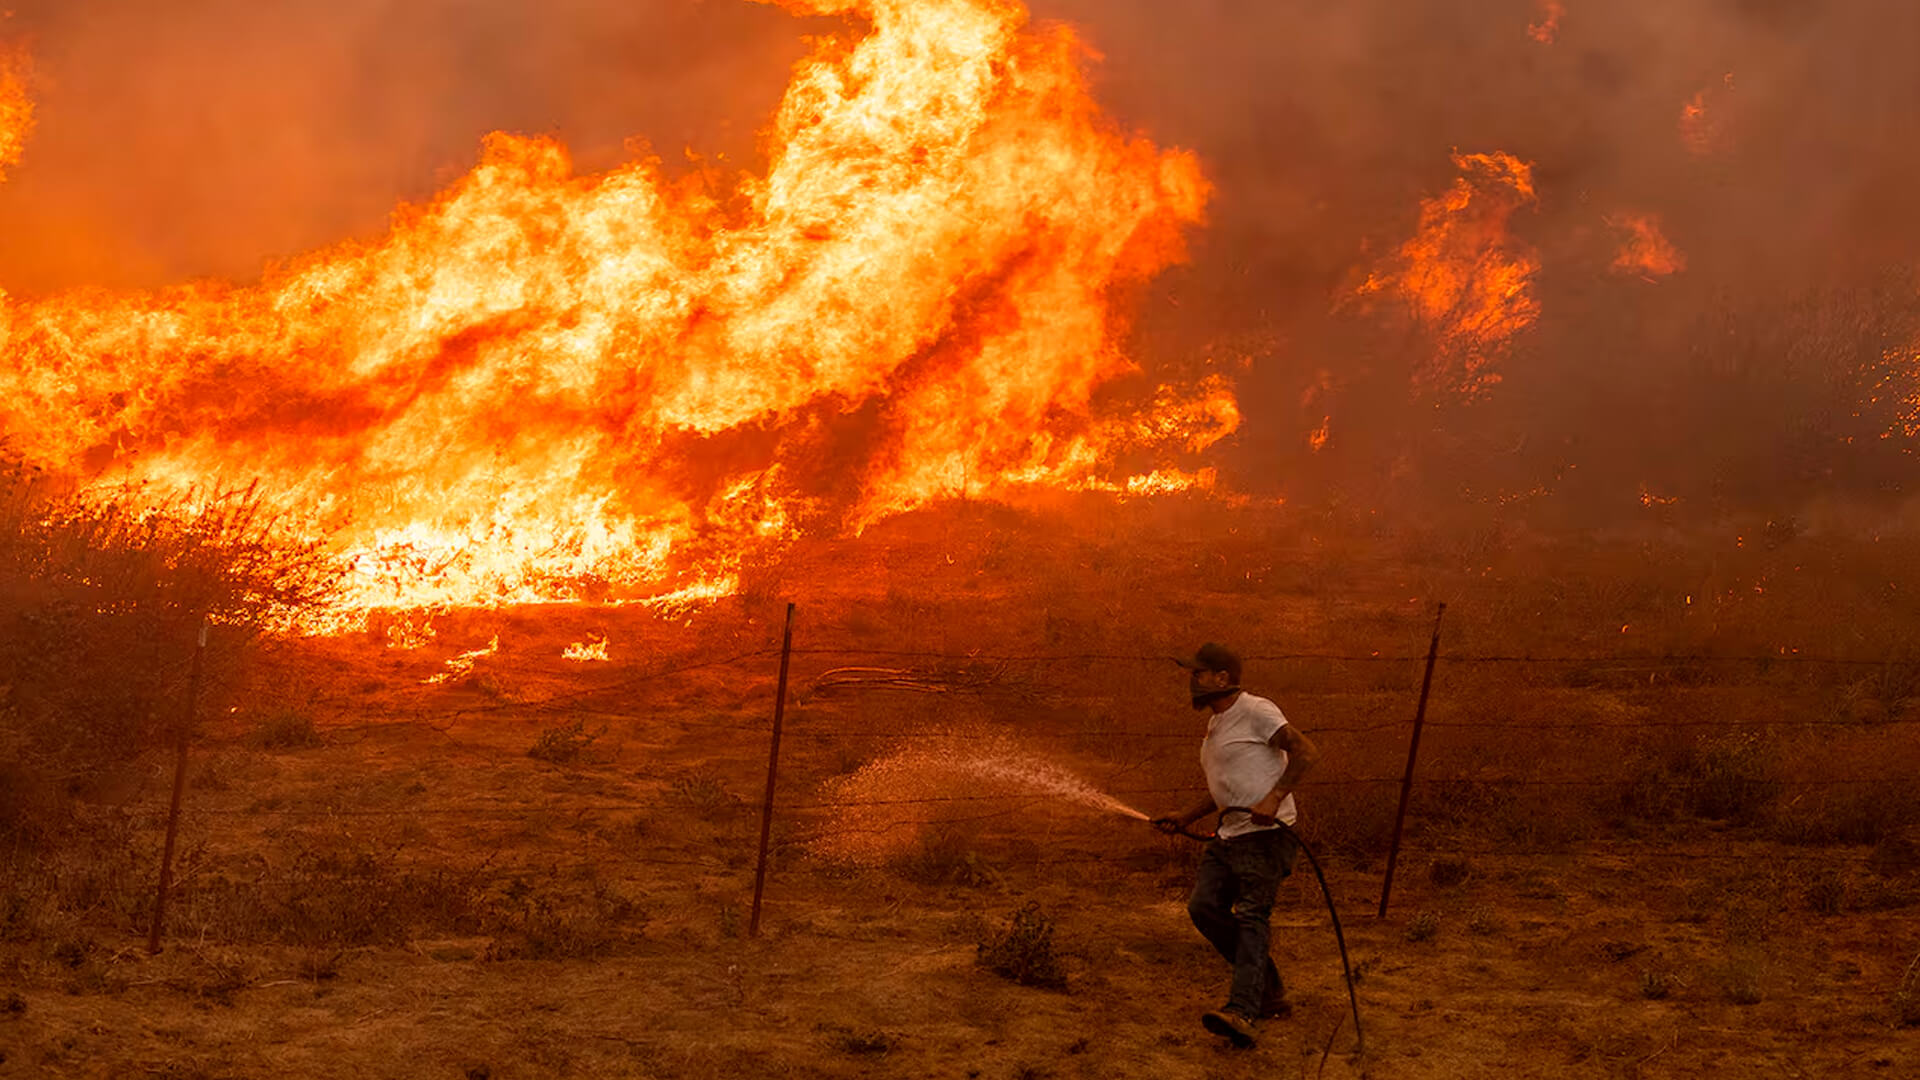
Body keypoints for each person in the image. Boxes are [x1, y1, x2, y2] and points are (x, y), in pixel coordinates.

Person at [1152, 642, 1321, 1049]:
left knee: (1251, 919)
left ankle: (1244, 1011)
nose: (1192, 681)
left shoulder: (1256, 710)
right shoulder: (1215, 726)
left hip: (1266, 837)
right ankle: (1269, 988)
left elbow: (1306, 751)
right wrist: (1188, 816)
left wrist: (1274, 797)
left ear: (1222, 678)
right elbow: (1227, 787)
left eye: (1198, 674)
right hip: (1230, 836)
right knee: (1203, 908)